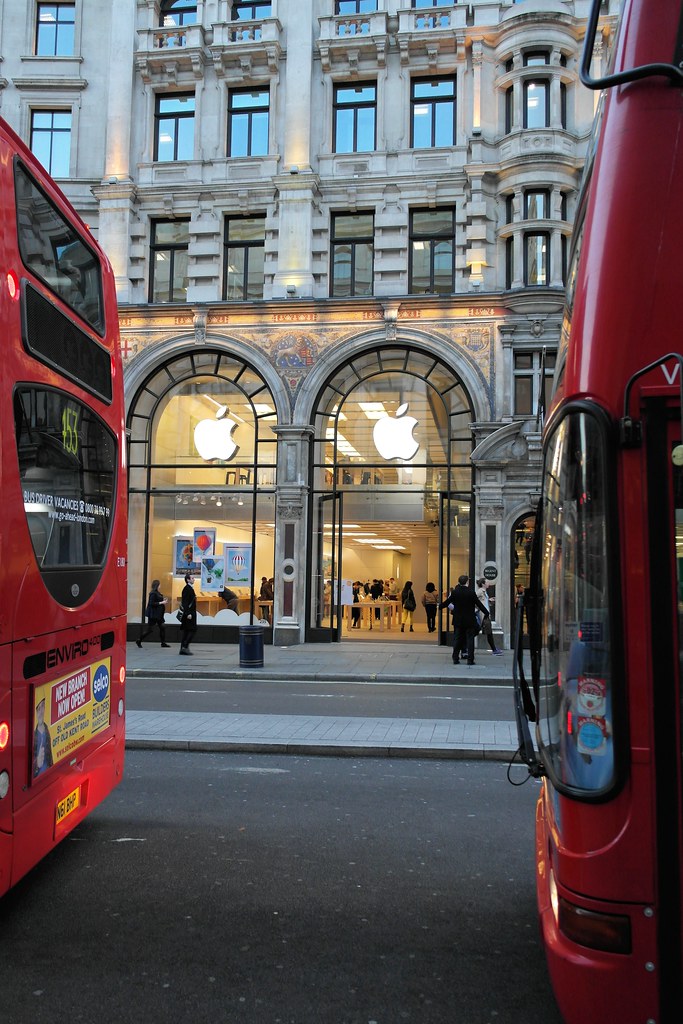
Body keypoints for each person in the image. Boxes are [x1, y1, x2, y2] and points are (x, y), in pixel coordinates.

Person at [440, 574, 489, 666]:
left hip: (458, 620)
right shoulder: (471, 592)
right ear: (467, 582)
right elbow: (479, 604)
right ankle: (470, 660)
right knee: (470, 640)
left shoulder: (455, 592)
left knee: (457, 639)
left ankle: (455, 658)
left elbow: (447, 602)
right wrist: (486, 612)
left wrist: (440, 607)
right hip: (469, 620)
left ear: (459, 582)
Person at [136, 579, 170, 648]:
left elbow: (158, 600)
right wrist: (161, 602)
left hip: (158, 615)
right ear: (157, 585)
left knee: (162, 627)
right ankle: (139, 640)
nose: (160, 586)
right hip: (153, 615)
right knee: (150, 630)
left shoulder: (157, 593)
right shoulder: (153, 593)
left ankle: (163, 643)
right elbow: (151, 603)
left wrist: (163, 601)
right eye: (159, 584)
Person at [475, 578, 503, 655]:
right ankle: (494, 650)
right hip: (483, 615)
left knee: (488, 632)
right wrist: (477, 609)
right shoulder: (480, 591)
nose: (488, 583)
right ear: (483, 584)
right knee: (487, 632)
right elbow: (474, 600)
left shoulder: (484, 592)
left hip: (486, 615)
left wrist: (489, 600)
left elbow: (482, 602)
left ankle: (494, 649)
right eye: (487, 582)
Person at [33, 697, 52, 778]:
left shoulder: (47, 730)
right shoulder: (33, 736)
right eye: (38, 709)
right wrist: (37, 763)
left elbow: (50, 758)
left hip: (49, 776)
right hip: (37, 778)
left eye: (42, 706)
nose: (40, 712)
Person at [178, 573, 197, 655]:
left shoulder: (189, 588)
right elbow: (185, 602)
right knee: (192, 630)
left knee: (186, 631)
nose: (194, 579)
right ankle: (185, 646)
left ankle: (183, 648)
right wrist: (188, 613)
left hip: (189, 613)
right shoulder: (187, 589)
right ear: (188, 580)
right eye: (192, 578)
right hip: (189, 613)